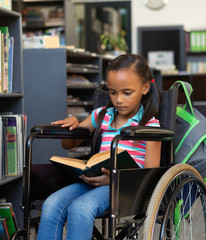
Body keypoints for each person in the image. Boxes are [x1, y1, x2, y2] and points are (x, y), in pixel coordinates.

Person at [36, 53, 162, 240]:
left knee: (80, 209)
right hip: (93, 181)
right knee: (51, 203)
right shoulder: (102, 115)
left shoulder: (150, 126)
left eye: (126, 93)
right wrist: (73, 124)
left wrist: (113, 180)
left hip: (126, 188)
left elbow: (151, 174)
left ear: (144, 88)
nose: (118, 100)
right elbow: (68, 145)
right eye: (112, 92)